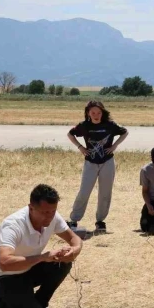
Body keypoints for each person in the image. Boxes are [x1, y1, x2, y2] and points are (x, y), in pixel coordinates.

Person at [0, 184, 83, 308]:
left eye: (53, 211)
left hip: (29, 269)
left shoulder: (53, 217)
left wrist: (74, 250)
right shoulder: (13, 225)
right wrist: (43, 257)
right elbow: (4, 263)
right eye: (45, 212)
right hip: (7, 277)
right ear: (31, 208)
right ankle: (2, 301)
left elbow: (74, 239)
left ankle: (39, 304)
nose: (50, 216)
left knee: (63, 263)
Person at [66, 100, 129, 234]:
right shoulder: (84, 125)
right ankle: (74, 220)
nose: (96, 115)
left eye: (99, 112)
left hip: (107, 162)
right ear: (88, 113)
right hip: (90, 162)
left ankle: (100, 221)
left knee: (105, 193)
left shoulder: (110, 125)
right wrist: (80, 147)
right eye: (93, 112)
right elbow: (70, 134)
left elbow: (125, 132)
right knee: (84, 191)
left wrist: (115, 145)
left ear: (102, 112)